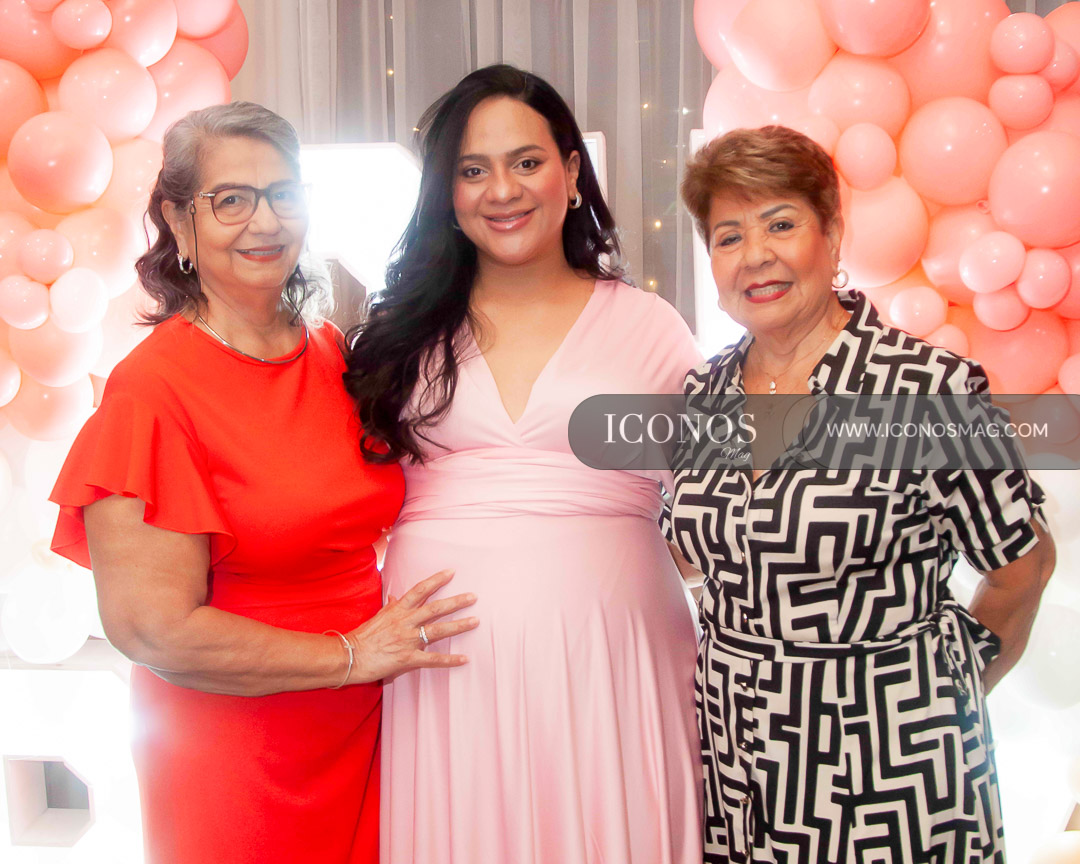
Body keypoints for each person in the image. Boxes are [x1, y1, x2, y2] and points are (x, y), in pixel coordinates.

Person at [49, 102, 477, 864]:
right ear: (179, 223)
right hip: (238, 747)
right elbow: (154, 630)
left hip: (369, 722)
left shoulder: (333, 353)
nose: (266, 221)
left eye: (284, 193)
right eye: (232, 200)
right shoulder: (153, 391)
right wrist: (349, 656)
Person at [344, 65, 704, 864]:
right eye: (472, 170)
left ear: (572, 173)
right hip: (443, 672)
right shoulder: (400, 336)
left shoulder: (649, 328)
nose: (502, 190)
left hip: (614, 665)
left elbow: (734, 493)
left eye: (527, 162)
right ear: (446, 193)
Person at [671, 125, 1056, 863]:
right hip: (737, 759)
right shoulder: (701, 394)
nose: (755, 255)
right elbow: (697, 553)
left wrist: (945, 684)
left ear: (833, 233)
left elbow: (1023, 565)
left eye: (781, 224)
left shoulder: (925, 390)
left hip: (890, 759)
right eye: (729, 236)